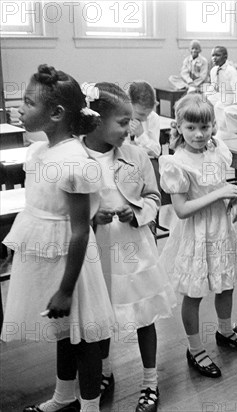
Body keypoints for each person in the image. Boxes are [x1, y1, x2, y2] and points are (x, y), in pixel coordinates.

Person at [1, 64, 114, 412]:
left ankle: (90, 405)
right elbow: (37, 207)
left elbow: (81, 230)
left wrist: (66, 289)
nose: (20, 109)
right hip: (45, 255)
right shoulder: (38, 152)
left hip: (71, 264)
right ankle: (64, 396)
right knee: (62, 331)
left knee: (84, 338)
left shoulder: (76, 162)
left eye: (28, 103)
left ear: (55, 113)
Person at [81, 82, 177, 411]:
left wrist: (135, 211)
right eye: (122, 122)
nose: (130, 129)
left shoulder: (136, 155)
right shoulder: (77, 157)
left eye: (131, 121)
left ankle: (150, 380)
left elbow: (154, 197)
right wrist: (93, 217)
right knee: (101, 312)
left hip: (134, 247)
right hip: (96, 251)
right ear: (95, 121)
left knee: (143, 314)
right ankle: (104, 371)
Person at [159, 94, 237, 380]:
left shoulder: (216, 149)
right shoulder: (176, 162)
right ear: (178, 127)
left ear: (214, 125)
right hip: (195, 233)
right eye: (191, 128)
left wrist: (234, 200)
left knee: (225, 285)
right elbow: (181, 210)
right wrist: (221, 195)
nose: (199, 134)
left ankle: (225, 331)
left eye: (205, 127)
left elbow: (223, 185)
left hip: (220, 228)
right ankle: (194, 348)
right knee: (194, 292)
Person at [205, 46, 237, 130]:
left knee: (219, 106)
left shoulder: (230, 71)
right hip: (221, 94)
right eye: (213, 55)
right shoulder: (214, 70)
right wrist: (205, 95)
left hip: (230, 95)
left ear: (225, 57)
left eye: (217, 55)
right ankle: (212, 125)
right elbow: (213, 85)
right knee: (207, 101)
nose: (214, 58)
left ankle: (222, 129)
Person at [127, 81, 161, 158]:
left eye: (148, 114)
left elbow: (156, 152)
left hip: (145, 161)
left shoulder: (153, 117)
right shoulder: (119, 117)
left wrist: (141, 135)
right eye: (141, 114)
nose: (145, 119)